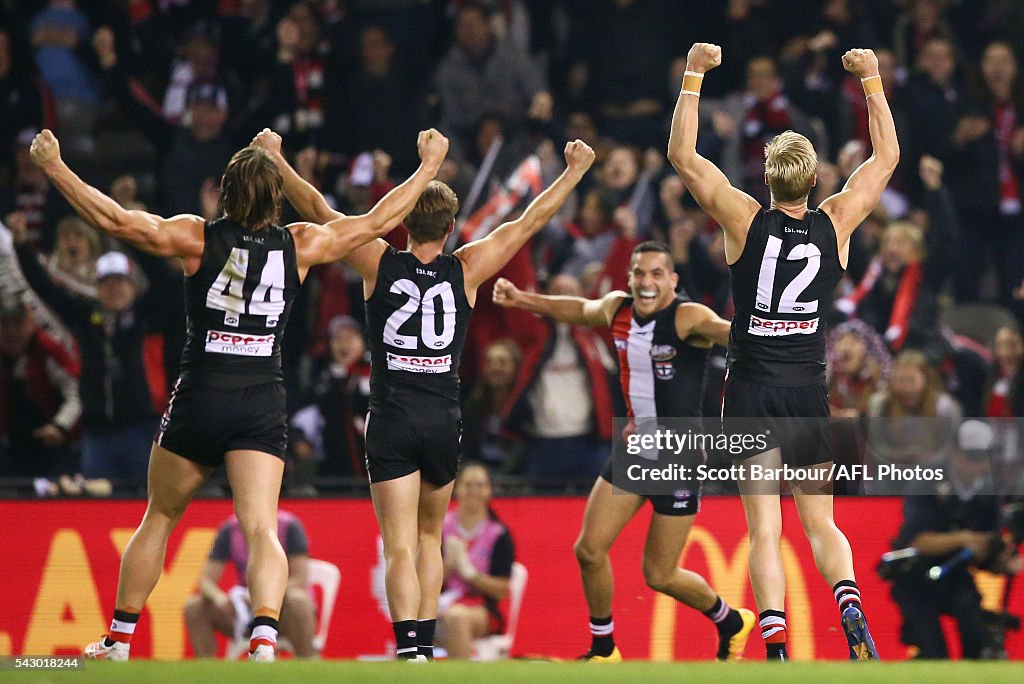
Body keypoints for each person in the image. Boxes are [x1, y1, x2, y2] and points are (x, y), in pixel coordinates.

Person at [27, 124, 448, 662]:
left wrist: (55, 166)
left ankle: (119, 640)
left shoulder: (196, 236)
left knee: (159, 515)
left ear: (225, 193)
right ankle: (265, 640)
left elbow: (114, 219)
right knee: (260, 526)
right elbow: (377, 222)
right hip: (260, 401)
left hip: (202, 392)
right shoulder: (300, 242)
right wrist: (428, 168)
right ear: (275, 197)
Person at [255, 127, 594, 661]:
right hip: (442, 417)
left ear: (405, 219)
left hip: (390, 417)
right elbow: (527, 223)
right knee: (431, 536)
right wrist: (572, 173)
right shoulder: (466, 269)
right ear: (453, 226)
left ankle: (410, 648)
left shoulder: (377, 261)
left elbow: (321, 210)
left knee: (398, 543)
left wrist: (276, 160)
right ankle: (427, 643)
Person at [668, 43, 899, 660]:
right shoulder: (837, 223)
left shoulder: (744, 221)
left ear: (766, 179)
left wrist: (694, 75)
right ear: (815, 179)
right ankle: (848, 603)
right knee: (821, 522)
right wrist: (871, 79)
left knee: (764, 529)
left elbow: (683, 157)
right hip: (805, 389)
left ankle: (774, 645)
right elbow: (886, 157)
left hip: (749, 390)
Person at [493, 241, 755, 662]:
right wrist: (523, 299)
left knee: (660, 574)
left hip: (678, 454)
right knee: (588, 549)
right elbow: (579, 309)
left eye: (655, 274)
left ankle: (730, 620)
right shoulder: (617, 308)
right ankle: (604, 648)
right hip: (636, 447)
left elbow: (735, 335)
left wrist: (784, 339)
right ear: (629, 278)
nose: (646, 282)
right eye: (639, 273)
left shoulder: (688, 317)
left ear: (672, 280)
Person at [888, 420, 1022, 659]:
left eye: (983, 457)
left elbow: (985, 550)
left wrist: (1003, 563)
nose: (977, 465)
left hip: (957, 576)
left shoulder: (989, 491)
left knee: (977, 643)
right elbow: (918, 540)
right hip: (916, 578)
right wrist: (965, 538)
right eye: (971, 457)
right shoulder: (928, 479)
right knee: (933, 652)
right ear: (953, 452)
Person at [184, 510, 316, 659]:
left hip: (283, 612)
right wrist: (219, 598)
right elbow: (205, 581)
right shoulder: (230, 529)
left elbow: (299, 578)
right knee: (194, 607)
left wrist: (263, 594)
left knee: (299, 601)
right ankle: (206, 671)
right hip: (245, 611)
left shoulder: (289, 526)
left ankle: (307, 661)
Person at [437, 462, 515, 660]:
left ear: (489, 491)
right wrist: (449, 566)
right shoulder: (438, 529)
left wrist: (470, 573)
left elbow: (501, 589)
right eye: (468, 485)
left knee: (457, 618)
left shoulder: (499, 534)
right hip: (438, 606)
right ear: (456, 489)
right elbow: (423, 581)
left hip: (482, 609)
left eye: (479, 485)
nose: (473, 491)